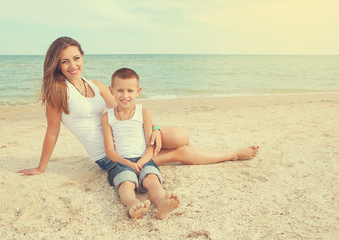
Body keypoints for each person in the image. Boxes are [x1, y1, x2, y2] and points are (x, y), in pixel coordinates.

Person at [18, 36, 259, 177]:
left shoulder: (97, 85)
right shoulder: (58, 92)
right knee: (181, 150)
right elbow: (52, 131)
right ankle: (233, 154)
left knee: (179, 136)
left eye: (76, 58)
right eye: (65, 61)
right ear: (57, 65)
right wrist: (41, 167)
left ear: (83, 57)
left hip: (129, 136)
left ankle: (188, 150)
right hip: (110, 155)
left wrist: (154, 127)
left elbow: (125, 111)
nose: (73, 65)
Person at [99, 68, 180, 219]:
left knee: (152, 179)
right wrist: (128, 164)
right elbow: (110, 151)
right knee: (126, 182)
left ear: (138, 91)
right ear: (111, 90)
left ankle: (162, 203)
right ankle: (132, 204)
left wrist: (142, 162)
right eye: (120, 90)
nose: (125, 95)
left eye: (130, 90)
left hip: (143, 158)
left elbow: (151, 145)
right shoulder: (106, 117)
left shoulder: (143, 112)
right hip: (120, 161)